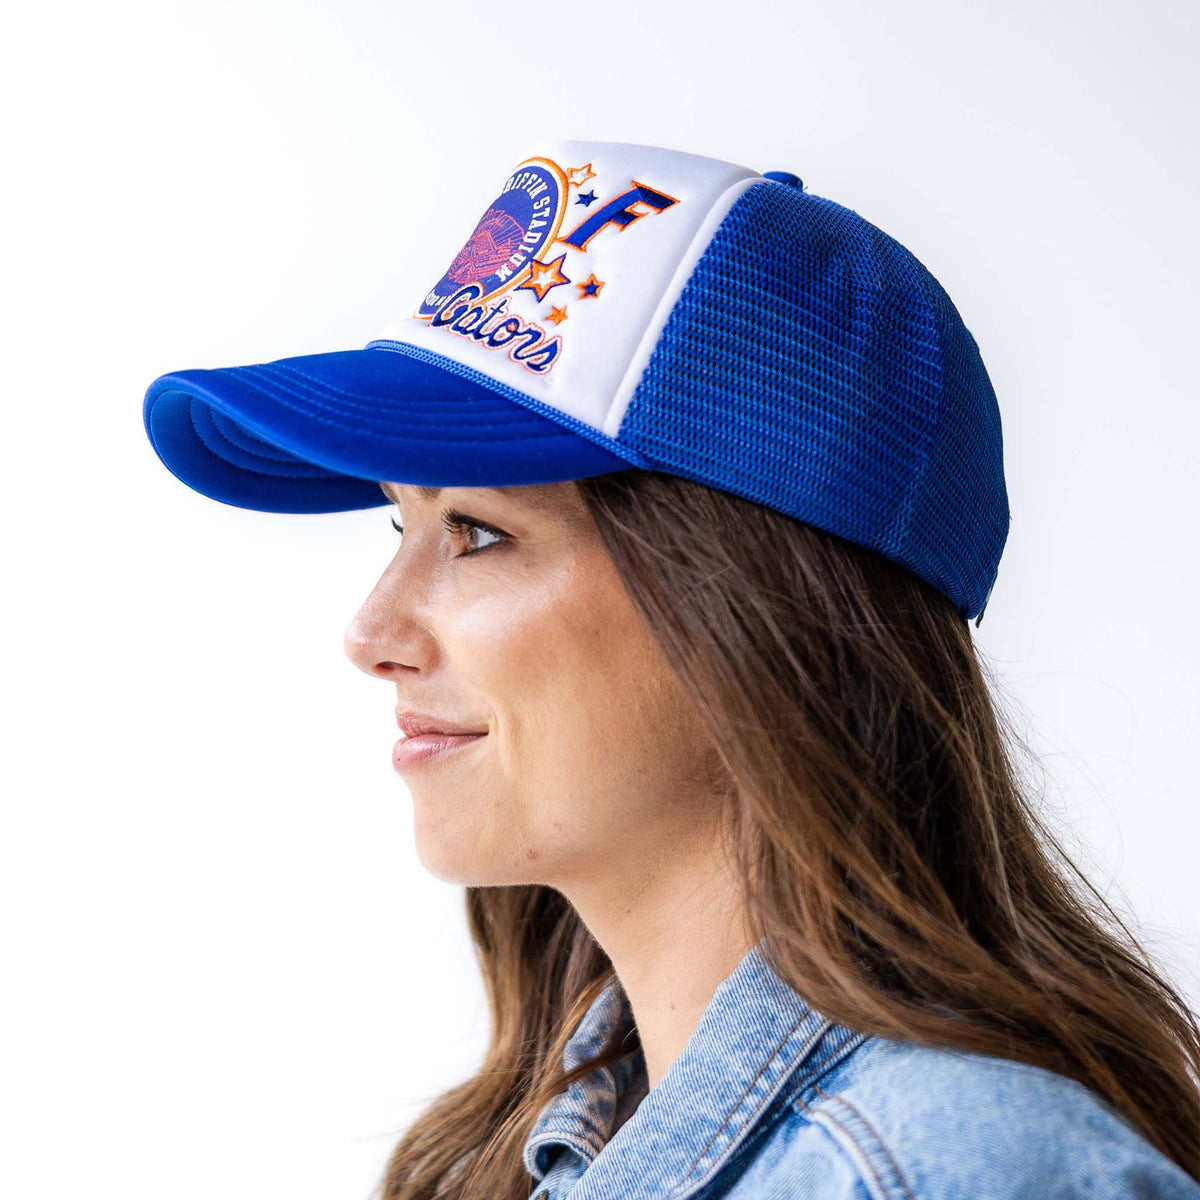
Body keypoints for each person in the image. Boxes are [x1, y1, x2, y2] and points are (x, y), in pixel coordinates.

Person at [141, 139, 1200, 1199]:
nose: (371, 633)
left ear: (748, 608)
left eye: (476, 530)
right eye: (397, 525)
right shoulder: (568, 1139)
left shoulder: (950, 1170)